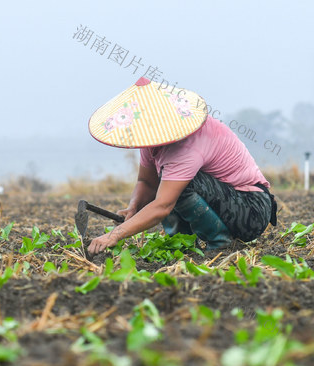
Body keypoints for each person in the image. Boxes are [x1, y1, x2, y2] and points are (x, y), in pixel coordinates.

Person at [86, 77, 276, 255]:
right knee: (168, 182)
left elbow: (163, 205)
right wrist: (133, 208)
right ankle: (182, 244)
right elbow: (147, 182)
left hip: (251, 210)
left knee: (178, 185)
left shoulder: (185, 147)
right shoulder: (153, 139)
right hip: (227, 201)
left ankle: (220, 244)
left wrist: (115, 234)